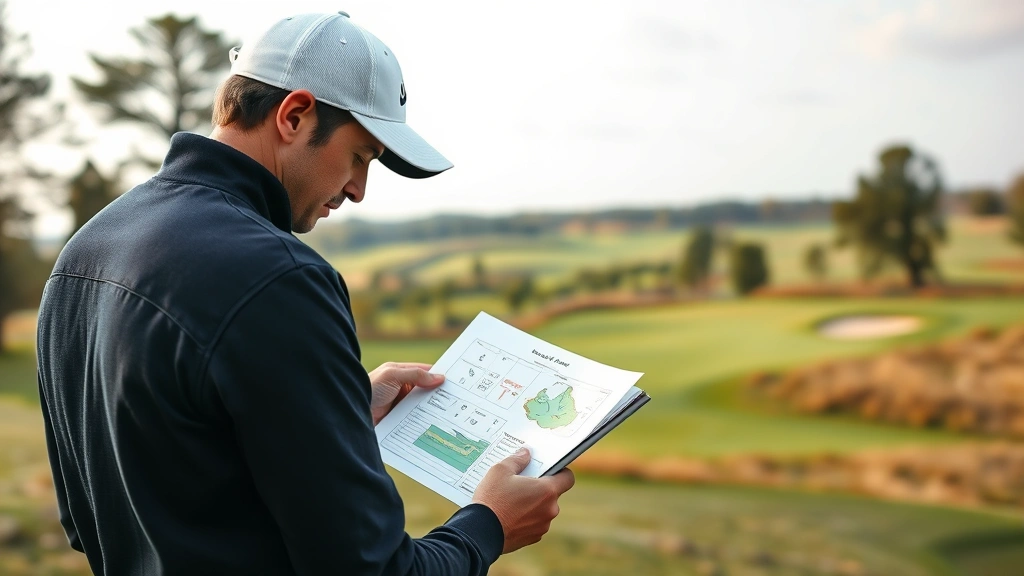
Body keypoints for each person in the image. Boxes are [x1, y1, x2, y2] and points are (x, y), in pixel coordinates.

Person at [36, 12, 575, 576]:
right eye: (360, 157)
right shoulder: (279, 279)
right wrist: (487, 525)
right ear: (294, 116)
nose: (359, 190)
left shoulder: (84, 251)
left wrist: (326, 414)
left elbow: (87, 516)